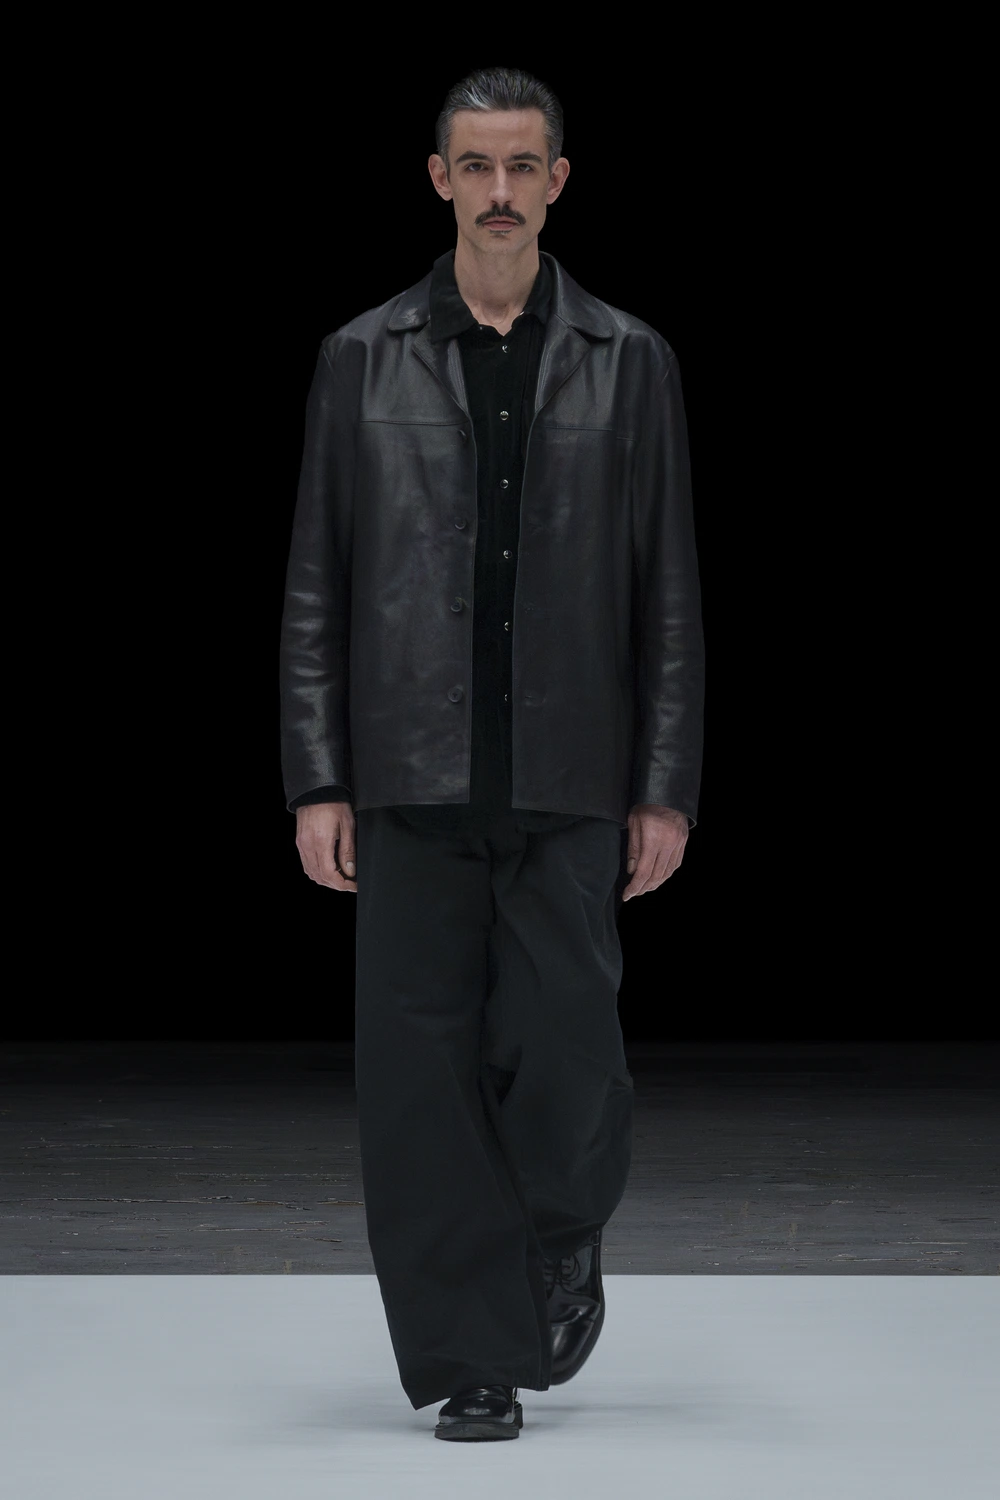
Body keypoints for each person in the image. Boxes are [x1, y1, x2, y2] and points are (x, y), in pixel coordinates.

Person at [279, 65, 705, 1441]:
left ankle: (561, 1230)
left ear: (559, 182)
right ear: (440, 179)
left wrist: (665, 786)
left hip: (572, 774)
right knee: (419, 1082)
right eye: (478, 166)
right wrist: (317, 775)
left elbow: (669, 594)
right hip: (412, 773)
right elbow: (316, 582)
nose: (501, 191)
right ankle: (472, 1357)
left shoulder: (629, 360)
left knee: (570, 1055)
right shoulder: (363, 358)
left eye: (524, 167)